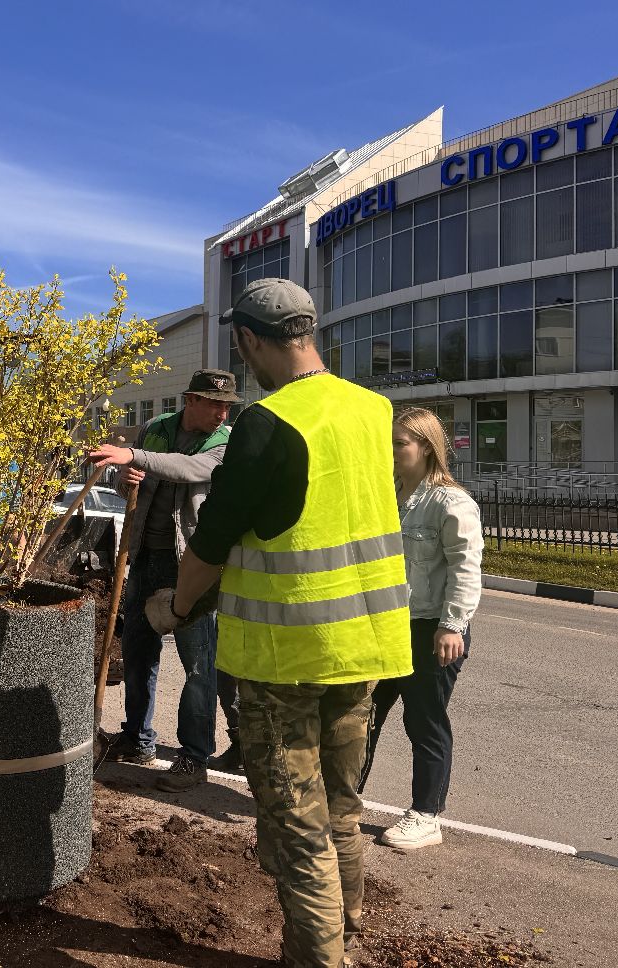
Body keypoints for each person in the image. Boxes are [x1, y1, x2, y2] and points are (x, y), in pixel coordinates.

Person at [156, 278, 413, 968]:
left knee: (300, 832)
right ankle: (345, 935)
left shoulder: (268, 423)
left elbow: (211, 544)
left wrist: (175, 608)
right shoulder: (373, 409)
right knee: (341, 811)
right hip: (365, 647)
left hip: (285, 660)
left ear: (248, 340)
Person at [86, 368, 240, 791]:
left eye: (227, 405)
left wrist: (134, 458)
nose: (222, 413)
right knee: (137, 653)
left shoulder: (225, 441)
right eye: (215, 404)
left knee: (198, 664)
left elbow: (188, 470)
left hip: (192, 565)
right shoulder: (155, 429)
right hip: (144, 557)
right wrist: (126, 479)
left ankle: (194, 757)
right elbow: (130, 484)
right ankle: (138, 739)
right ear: (191, 400)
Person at [358, 407, 483, 851]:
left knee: (424, 721)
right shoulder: (387, 494)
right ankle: (343, 800)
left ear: (426, 448)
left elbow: (465, 569)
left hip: (431, 630)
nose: (391, 451)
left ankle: (426, 815)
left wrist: (452, 626)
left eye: (400, 443)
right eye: (388, 443)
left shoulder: (450, 502)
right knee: (361, 714)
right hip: (385, 625)